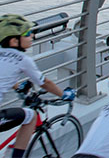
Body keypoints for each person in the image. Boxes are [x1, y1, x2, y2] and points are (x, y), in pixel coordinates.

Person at [0, 14, 76, 158]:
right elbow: (45, 83)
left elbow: (4, 76)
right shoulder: (22, 59)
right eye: (27, 34)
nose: (32, 36)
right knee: (31, 116)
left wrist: (17, 87)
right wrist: (64, 95)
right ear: (14, 41)